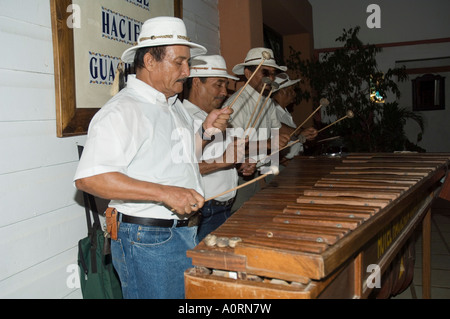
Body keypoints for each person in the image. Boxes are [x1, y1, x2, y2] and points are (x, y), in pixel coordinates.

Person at [73, 17, 232, 299]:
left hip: (180, 232)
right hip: (148, 240)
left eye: (188, 63)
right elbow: (89, 178)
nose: (186, 71)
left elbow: (181, 157)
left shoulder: (173, 104)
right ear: (149, 60)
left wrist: (206, 132)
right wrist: (164, 193)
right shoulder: (123, 110)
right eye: (179, 62)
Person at [183, 55, 256, 241]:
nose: (225, 92)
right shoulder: (183, 118)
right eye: (219, 84)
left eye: (226, 85)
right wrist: (224, 161)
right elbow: (182, 168)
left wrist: (240, 165)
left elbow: (223, 159)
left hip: (225, 208)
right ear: (197, 82)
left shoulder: (218, 116)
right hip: (203, 212)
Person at [222, 47, 291, 213]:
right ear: (247, 74)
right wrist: (268, 144)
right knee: (241, 220)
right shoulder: (236, 105)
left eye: (273, 74)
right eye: (265, 72)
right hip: (240, 174)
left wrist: (295, 136)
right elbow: (231, 148)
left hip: (263, 169)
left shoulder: (267, 100)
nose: (271, 78)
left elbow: (277, 133)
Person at [271, 73, 317, 162]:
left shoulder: (285, 112)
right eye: (291, 90)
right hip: (281, 166)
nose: (294, 93)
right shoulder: (273, 112)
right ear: (280, 92)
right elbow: (276, 129)